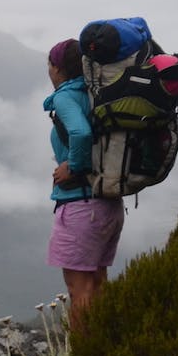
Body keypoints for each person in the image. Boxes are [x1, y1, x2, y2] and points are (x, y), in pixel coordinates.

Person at [44, 38, 123, 333]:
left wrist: (72, 167)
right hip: (109, 204)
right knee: (99, 284)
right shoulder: (98, 92)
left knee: (80, 292)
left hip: (82, 206)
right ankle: (104, 353)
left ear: (56, 68)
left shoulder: (66, 98)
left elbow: (79, 132)